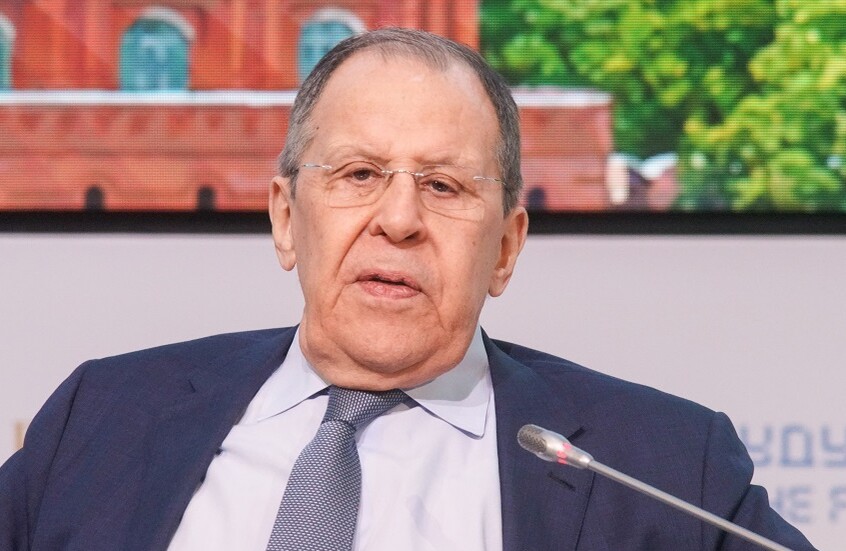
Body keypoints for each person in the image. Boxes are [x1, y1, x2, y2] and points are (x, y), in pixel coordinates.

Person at [0, 28, 816, 551]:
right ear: (286, 218)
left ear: (506, 247)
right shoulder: (100, 418)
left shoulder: (661, 468)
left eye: (445, 186)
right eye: (358, 174)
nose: (398, 220)